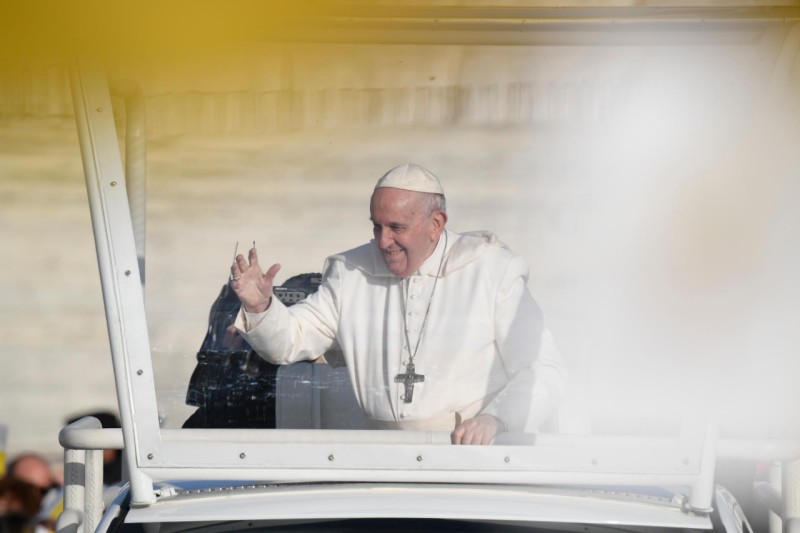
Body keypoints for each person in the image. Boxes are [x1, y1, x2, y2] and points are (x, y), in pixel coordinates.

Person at [230, 163, 567, 445]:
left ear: (436, 224)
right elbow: (292, 341)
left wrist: (496, 419)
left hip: (474, 452)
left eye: (396, 228)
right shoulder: (352, 273)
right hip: (384, 456)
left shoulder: (493, 271)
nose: (382, 241)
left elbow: (542, 368)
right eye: (376, 226)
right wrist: (261, 308)